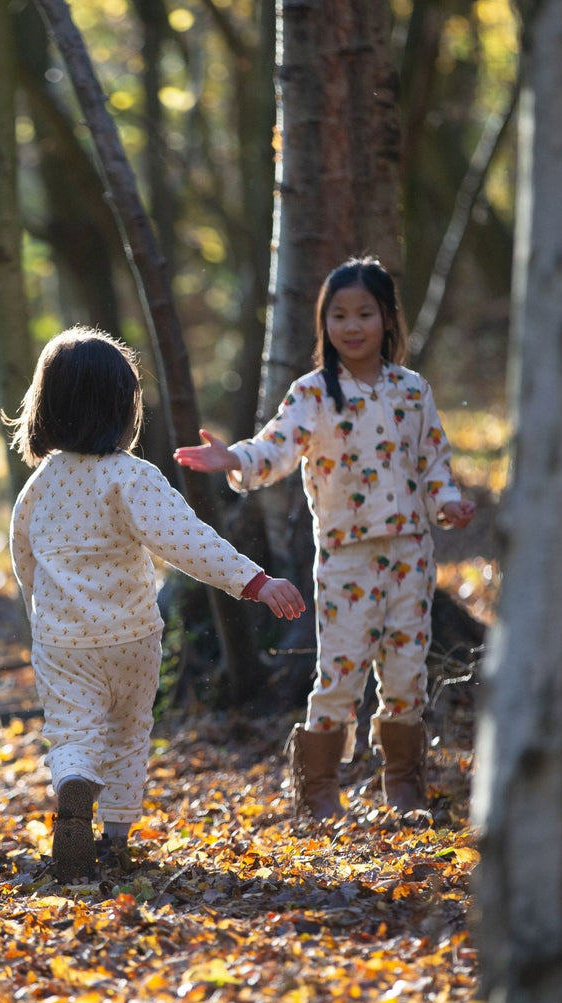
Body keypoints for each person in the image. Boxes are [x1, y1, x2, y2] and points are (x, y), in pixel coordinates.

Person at [174, 256, 475, 821]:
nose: (352, 326)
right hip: (345, 560)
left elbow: (434, 464)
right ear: (324, 323)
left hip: (412, 555)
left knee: (407, 671)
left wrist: (449, 503)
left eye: (365, 313)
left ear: (388, 319)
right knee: (339, 674)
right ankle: (318, 793)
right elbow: (274, 448)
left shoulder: (413, 391)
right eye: (339, 315)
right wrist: (232, 457)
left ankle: (405, 786)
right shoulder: (312, 394)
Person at [7, 326, 305, 883]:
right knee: (127, 733)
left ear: (45, 408)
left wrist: (39, 616)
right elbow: (187, 542)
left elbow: (25, 562)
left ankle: (73, 781)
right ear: (123, 408)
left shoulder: (37, 487)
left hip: (61, 642)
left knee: (72, 732)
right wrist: (254, 581)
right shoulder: (130, 477)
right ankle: (115, 842)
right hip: (130, 635)